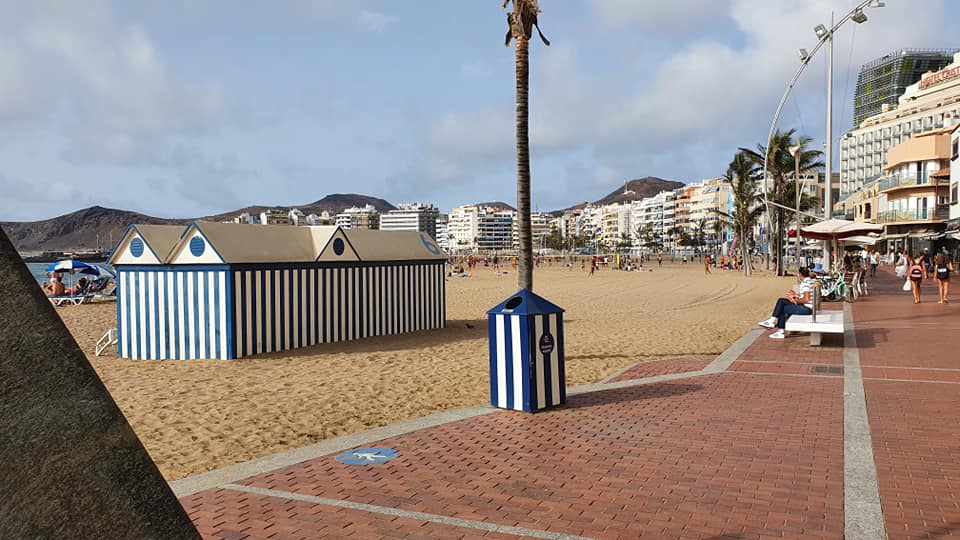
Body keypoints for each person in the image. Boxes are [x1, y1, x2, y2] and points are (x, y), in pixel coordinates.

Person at [757, 267, 815, 339]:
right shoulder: (811, 281)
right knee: (781, 301)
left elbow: (806, 299)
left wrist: (795, 301)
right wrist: (796, 295)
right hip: (809, 307)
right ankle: (773, 322)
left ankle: (778, 328)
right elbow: (807, 296)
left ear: (800, 274)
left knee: (782, 308)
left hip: (807, 309)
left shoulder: (806, 283)